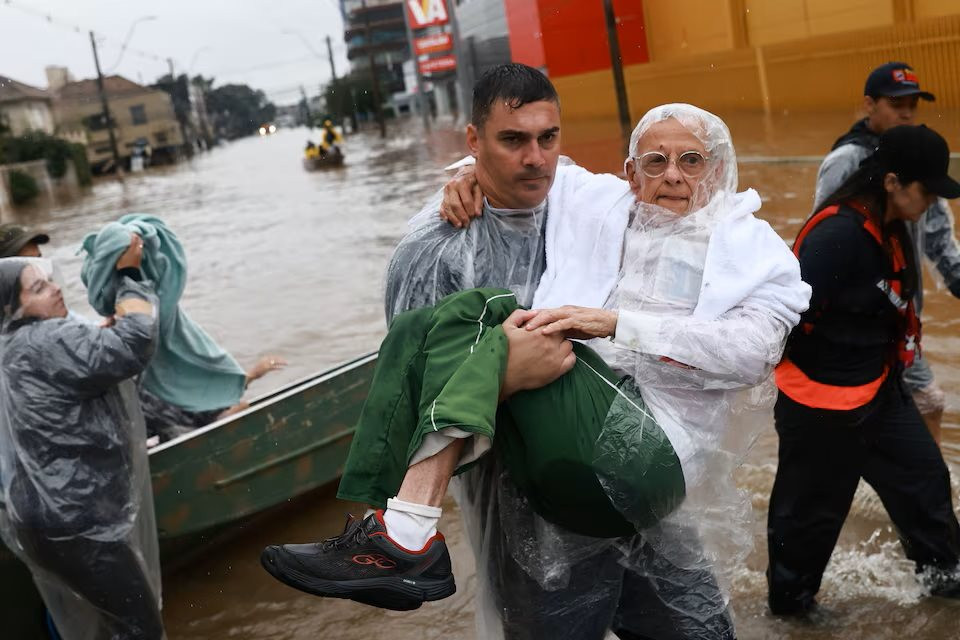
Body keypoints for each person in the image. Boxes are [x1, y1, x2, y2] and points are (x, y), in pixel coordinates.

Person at [264, 64, 808, 639]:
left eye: (548, 139)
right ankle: (400, 527)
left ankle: (403, 530)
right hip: (537, 497)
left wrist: (614, 325)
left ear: (717, 168)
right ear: (631, 172)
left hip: (641, 474)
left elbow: (755, 348)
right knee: (466, 322)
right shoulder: (455, 241)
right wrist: (504, 377)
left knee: (695, 629)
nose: (536, 158)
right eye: (512, 141)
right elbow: (415, 381)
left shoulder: (744, 246)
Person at [767, 124, 960, 616]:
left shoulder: (892, 224)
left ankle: (946, 583)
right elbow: (784, 317)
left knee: (925, 482)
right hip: (822, 405)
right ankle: (791, 612)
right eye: (929, 190)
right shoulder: (838, 235)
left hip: (877, 389)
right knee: (810, 518)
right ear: (893, 181)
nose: (936, 202)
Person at [0, 235, 166, 639]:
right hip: (79, 521)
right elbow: (138, 340)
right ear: (11, 308)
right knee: (140, 630)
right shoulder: (47, 340)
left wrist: (95, 338)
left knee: (108, 625)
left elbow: (80, 361)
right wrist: (129, 275)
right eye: (38, 288)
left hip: (41, 519)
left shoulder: (14, 344)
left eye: (49, 279)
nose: (56, 288)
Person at [815, 61, 960, 445]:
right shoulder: (846, 162)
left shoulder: (919, 158)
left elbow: (939, 234)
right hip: (862, 321)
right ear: (869, 105)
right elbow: (824, 239)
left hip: (902, 316)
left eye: (913, 103)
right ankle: (933, 487)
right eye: (897, 103)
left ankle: (917, 483)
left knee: (914, 404)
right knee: (923, 400)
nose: (907, 112)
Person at [81, 214, 285, 443]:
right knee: (238, 411)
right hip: (167, 421)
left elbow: (195, 387)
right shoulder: (138, 315)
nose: (140, 244)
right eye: (133, 244)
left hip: (159, 417)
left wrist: (252, 375)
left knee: (234, 408)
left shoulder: (133, 316)